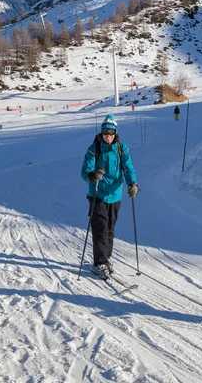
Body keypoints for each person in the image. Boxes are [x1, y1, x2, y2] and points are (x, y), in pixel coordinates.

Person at [81, 114, 138, 280]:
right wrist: (92, 175)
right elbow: (85, 170)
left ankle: (106, 258)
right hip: (97, 194)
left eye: (111, 132)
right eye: (105, 132)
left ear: (115, 133)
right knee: (100, 228)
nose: (108, 135)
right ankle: (100, 263)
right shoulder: (94, 148)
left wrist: (132, 183)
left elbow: (128, 168)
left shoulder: (122, 148)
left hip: (115, 195)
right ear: (101, 132)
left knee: (110, 229)